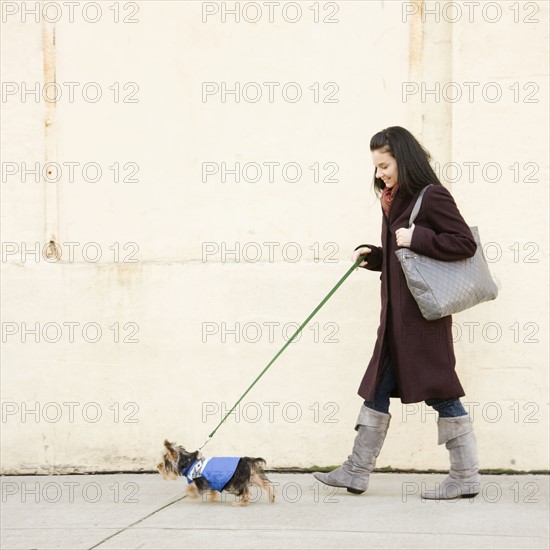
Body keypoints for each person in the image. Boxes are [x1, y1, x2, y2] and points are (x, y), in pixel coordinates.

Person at [314, 126, 481, 500]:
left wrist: (416, 237)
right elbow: (402, 258)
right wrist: (374, 256)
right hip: (394, 320)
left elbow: (464, 244)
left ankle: (465, 476)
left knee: (441, 392)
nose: (379, 174)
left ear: (402, 160)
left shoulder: (431, 196)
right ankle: (356, 471)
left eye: (384, 165)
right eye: (375, 167)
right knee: (376, 389)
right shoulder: (395, 199)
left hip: (422, 322)